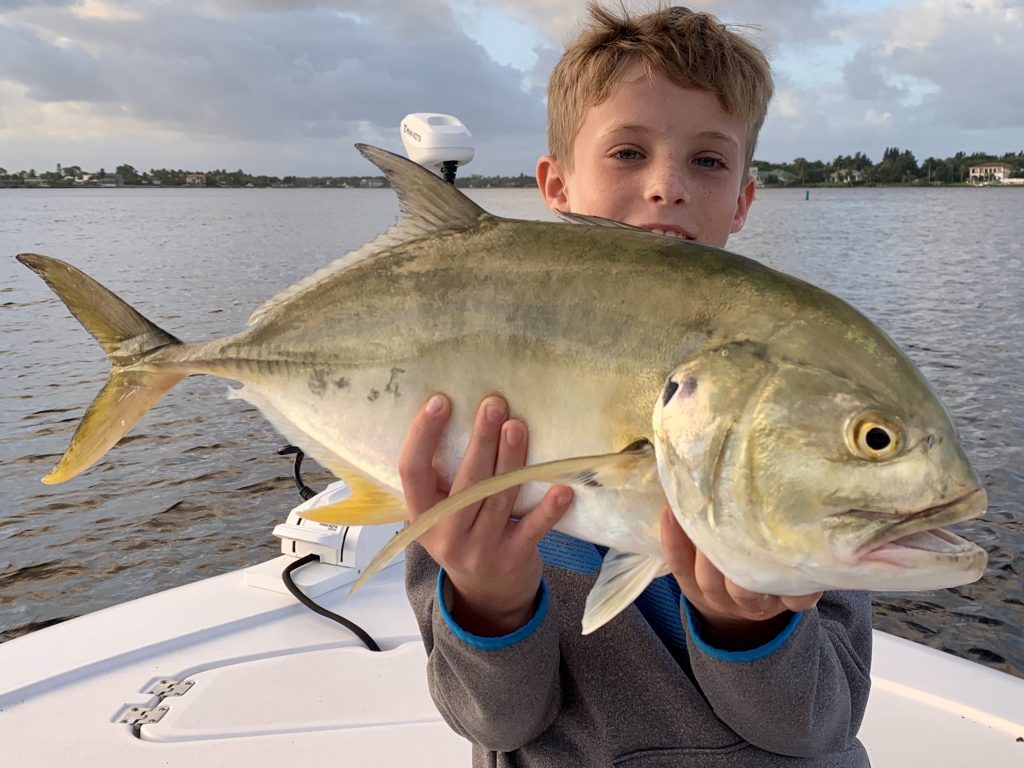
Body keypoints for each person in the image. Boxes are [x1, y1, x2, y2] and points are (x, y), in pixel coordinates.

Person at [399, 5, 872, 766]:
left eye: (709, 162)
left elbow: (819, 725)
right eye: (627, 152)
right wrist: (490, 600)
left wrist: (748, 628)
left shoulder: (789, 399)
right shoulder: (485, 402)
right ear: (556, 183)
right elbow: (493, 724)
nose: (666, 188)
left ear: (744, 199)